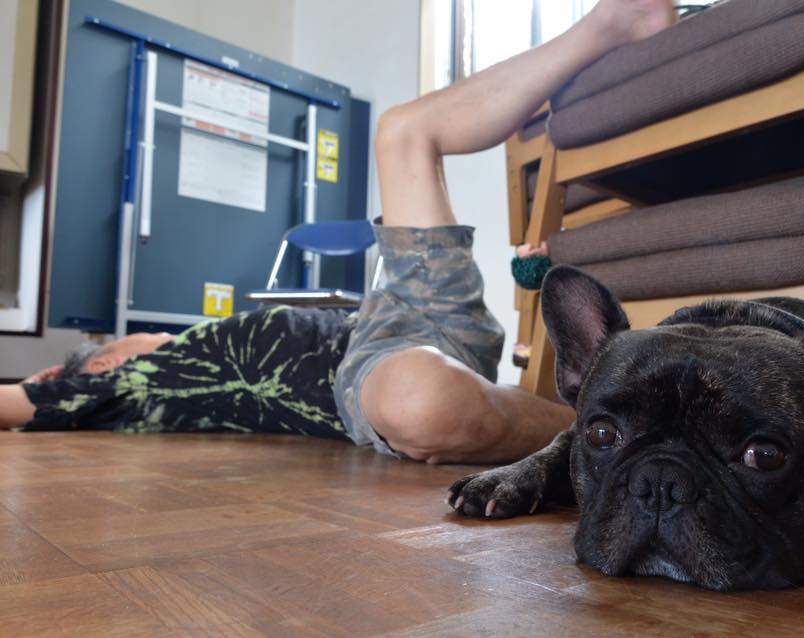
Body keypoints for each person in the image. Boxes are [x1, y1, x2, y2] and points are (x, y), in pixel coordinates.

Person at [0, 0, 677, 464]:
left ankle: (613, 24)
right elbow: (15, 401)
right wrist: (49, 386)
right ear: (98, 367)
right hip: (379, 373)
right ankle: (619, 432)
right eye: (110, 348)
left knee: (402, 130)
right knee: (419, 406)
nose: (131, 341)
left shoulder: (180, 360)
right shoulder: (118, 386)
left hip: (397, 313)